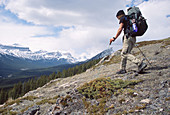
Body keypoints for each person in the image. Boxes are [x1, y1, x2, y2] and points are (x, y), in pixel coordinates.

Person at [110, 10, 147, 74]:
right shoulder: (130, 18)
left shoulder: (123, 18)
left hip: (128, 37)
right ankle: (122, 69)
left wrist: (114, 38)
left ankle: (140, 63)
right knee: (126, 53)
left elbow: (120, 28)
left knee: (124, 53)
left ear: (119, 15)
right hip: (133, 37)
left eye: (118, 18)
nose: (118, 19)